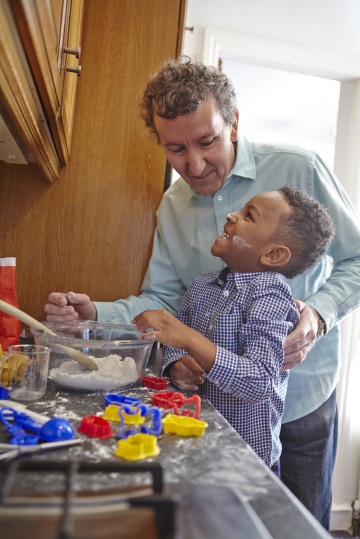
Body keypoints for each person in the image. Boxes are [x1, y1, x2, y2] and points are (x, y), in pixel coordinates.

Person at [44, 57, 360, 530]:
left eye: (206, 141)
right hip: (215, 405)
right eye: (175, 148)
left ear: (233, 124)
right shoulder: (173, 205)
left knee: (297, 525)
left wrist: (317, 314)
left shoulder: (298, 169)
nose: (193, 164)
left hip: (302, 400)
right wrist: (94, 313)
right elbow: (166, 301)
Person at [132, 186, 335, 474]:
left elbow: (259, 382)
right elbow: (175, 342)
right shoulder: (202, 285)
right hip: (198, 447)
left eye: (248, 216)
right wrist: (176, 362)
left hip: (246, 463)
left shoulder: (272, 297)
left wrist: (191, 340)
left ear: (274, 254)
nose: (231, 216)